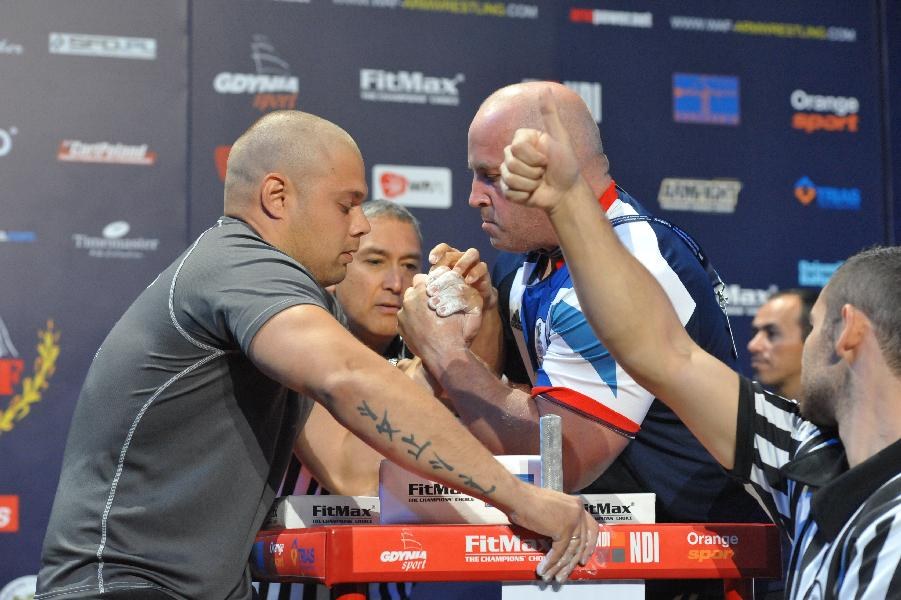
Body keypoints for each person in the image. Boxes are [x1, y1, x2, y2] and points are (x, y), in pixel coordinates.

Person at [35, 110, 597, 600]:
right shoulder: (245, 270)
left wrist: (447, 348)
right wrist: (519, 498)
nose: (358, 225)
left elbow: (354, 465)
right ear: (277, 198)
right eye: (347, 205)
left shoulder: (268, 293)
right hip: (125, 588)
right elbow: (350, 377)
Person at [496, 86, 900, 599]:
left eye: (814, 325)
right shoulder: (800, 453)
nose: (807, 342)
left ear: (851, 334)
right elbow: (663, 352)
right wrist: (569, 200)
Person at [399, 80, 772, 598]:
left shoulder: (629, 265)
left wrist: (444, 353)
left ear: (552, 166)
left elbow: (563, 457)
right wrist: (476, 321)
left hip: (685, 568)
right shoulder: (529, 262)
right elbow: (502, 396)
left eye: (491, 177)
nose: (473, 197)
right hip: (599, 563)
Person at [748, 288, 819, 400]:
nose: (753, 346)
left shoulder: (848, 415)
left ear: (813, 340)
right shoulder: (751, 414)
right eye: (755, 333)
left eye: (772, 334)